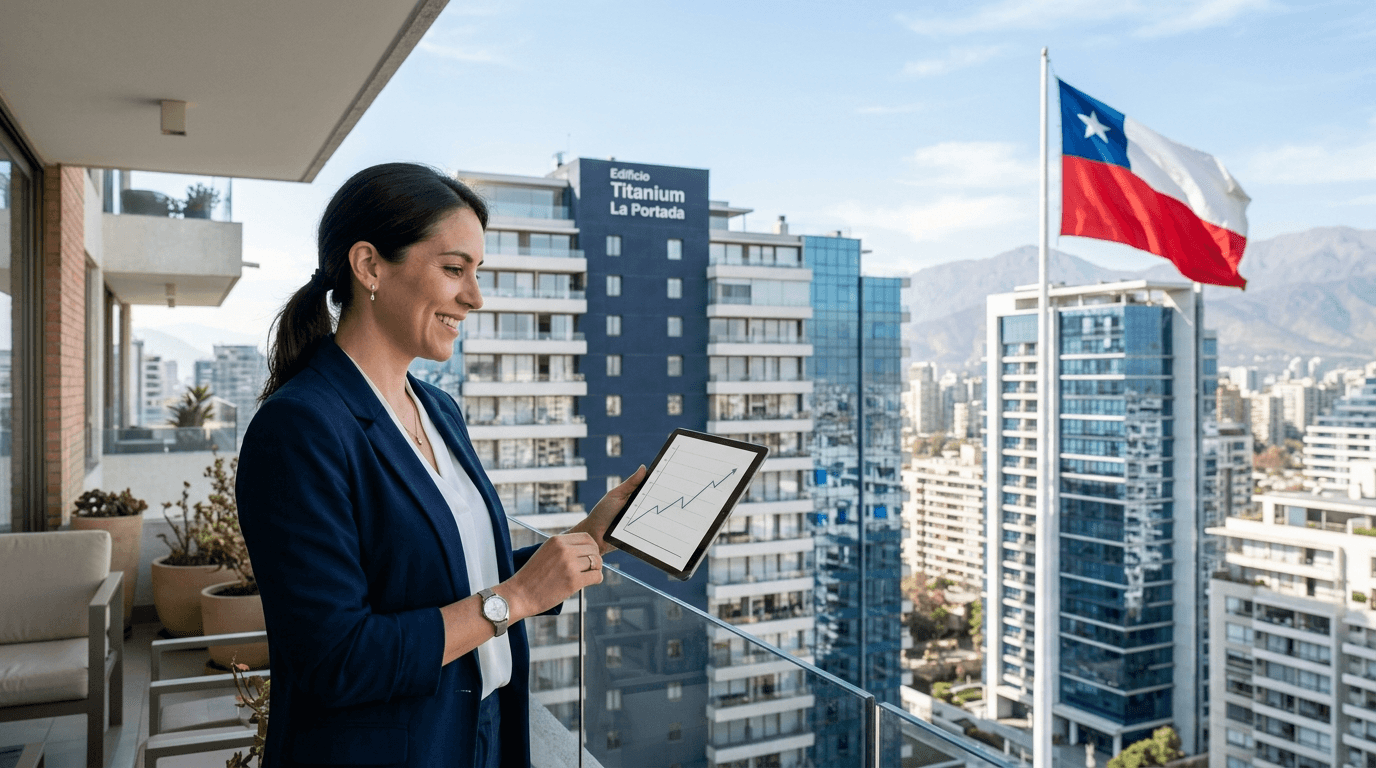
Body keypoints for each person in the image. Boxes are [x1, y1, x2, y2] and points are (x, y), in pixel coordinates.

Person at [236, 162, 646, 768]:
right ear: (370, 266)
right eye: (455, 269)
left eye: (477, 272)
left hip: (482, 731)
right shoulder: (300, 428)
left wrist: (588, 537)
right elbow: (334, 659)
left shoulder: (438, 409)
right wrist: (514, 599)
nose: (474, 297)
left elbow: (450, 582)